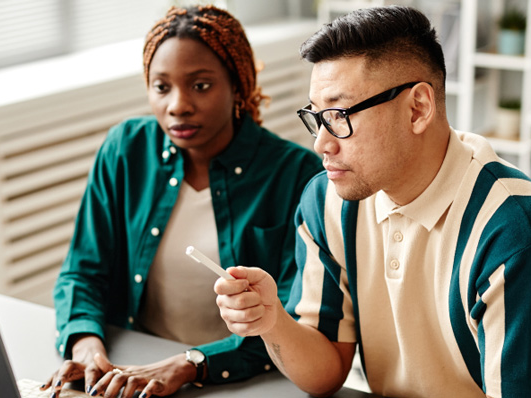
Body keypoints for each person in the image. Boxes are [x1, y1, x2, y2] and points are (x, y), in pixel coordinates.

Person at [214, 6, 531, 398]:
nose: (321, 143)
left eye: (339, 115)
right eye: (317, 117)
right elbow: (325, 373)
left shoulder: (521, 232)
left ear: (418, 108)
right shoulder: (326, 201)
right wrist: (272, 321)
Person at [42, 5, 323, 398]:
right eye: (162, 87)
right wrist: (86, 346)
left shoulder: (297, 175)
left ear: (238, 85)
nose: (177, 105)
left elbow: (292, 321)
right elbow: (82, 272)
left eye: (201, 85)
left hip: (246, 379)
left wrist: (190, 363)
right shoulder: (125, 150)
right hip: (133, 367)